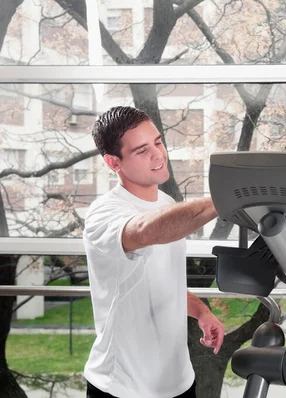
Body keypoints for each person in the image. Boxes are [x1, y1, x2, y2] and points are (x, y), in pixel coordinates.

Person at [82, 106, 225, 398]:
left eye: (158, 142)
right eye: (141, 150)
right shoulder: (104, 214)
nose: (158, 154)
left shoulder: (167, 203)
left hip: (179, 382)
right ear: (113, 162)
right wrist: (229, 197)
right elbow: (147, 231)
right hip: (123, 386)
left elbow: (162, 279)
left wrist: (201, 312)